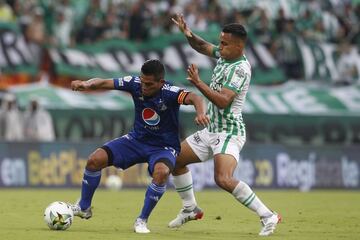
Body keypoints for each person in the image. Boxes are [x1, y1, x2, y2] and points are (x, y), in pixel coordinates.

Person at [168, 14, 281, 236]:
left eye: (224, 43)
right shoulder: (224, 55)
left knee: (222, 178)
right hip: (211, 129)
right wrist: (187, 33)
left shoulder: (240, 69)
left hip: (229, 131)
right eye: (220, 42)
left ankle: (268, 216)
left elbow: (222, 100)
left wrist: (199, 83)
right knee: (174, 160)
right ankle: (190, 208)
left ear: (238, 46)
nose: (219, 47)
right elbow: (201, 46)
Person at [69, 59, 209, 234]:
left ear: (161, 82)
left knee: (162, 172)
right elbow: (105, 82)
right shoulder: (134, 83)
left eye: (149, 84)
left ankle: (142, 220)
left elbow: (196, 97)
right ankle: (83, 207)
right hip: (136, 140)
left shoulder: (171, 93)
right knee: (94, 160)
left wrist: (201, 113)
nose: (144, 87)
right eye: (143, 82)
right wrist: (85, 84)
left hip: (163, 147)